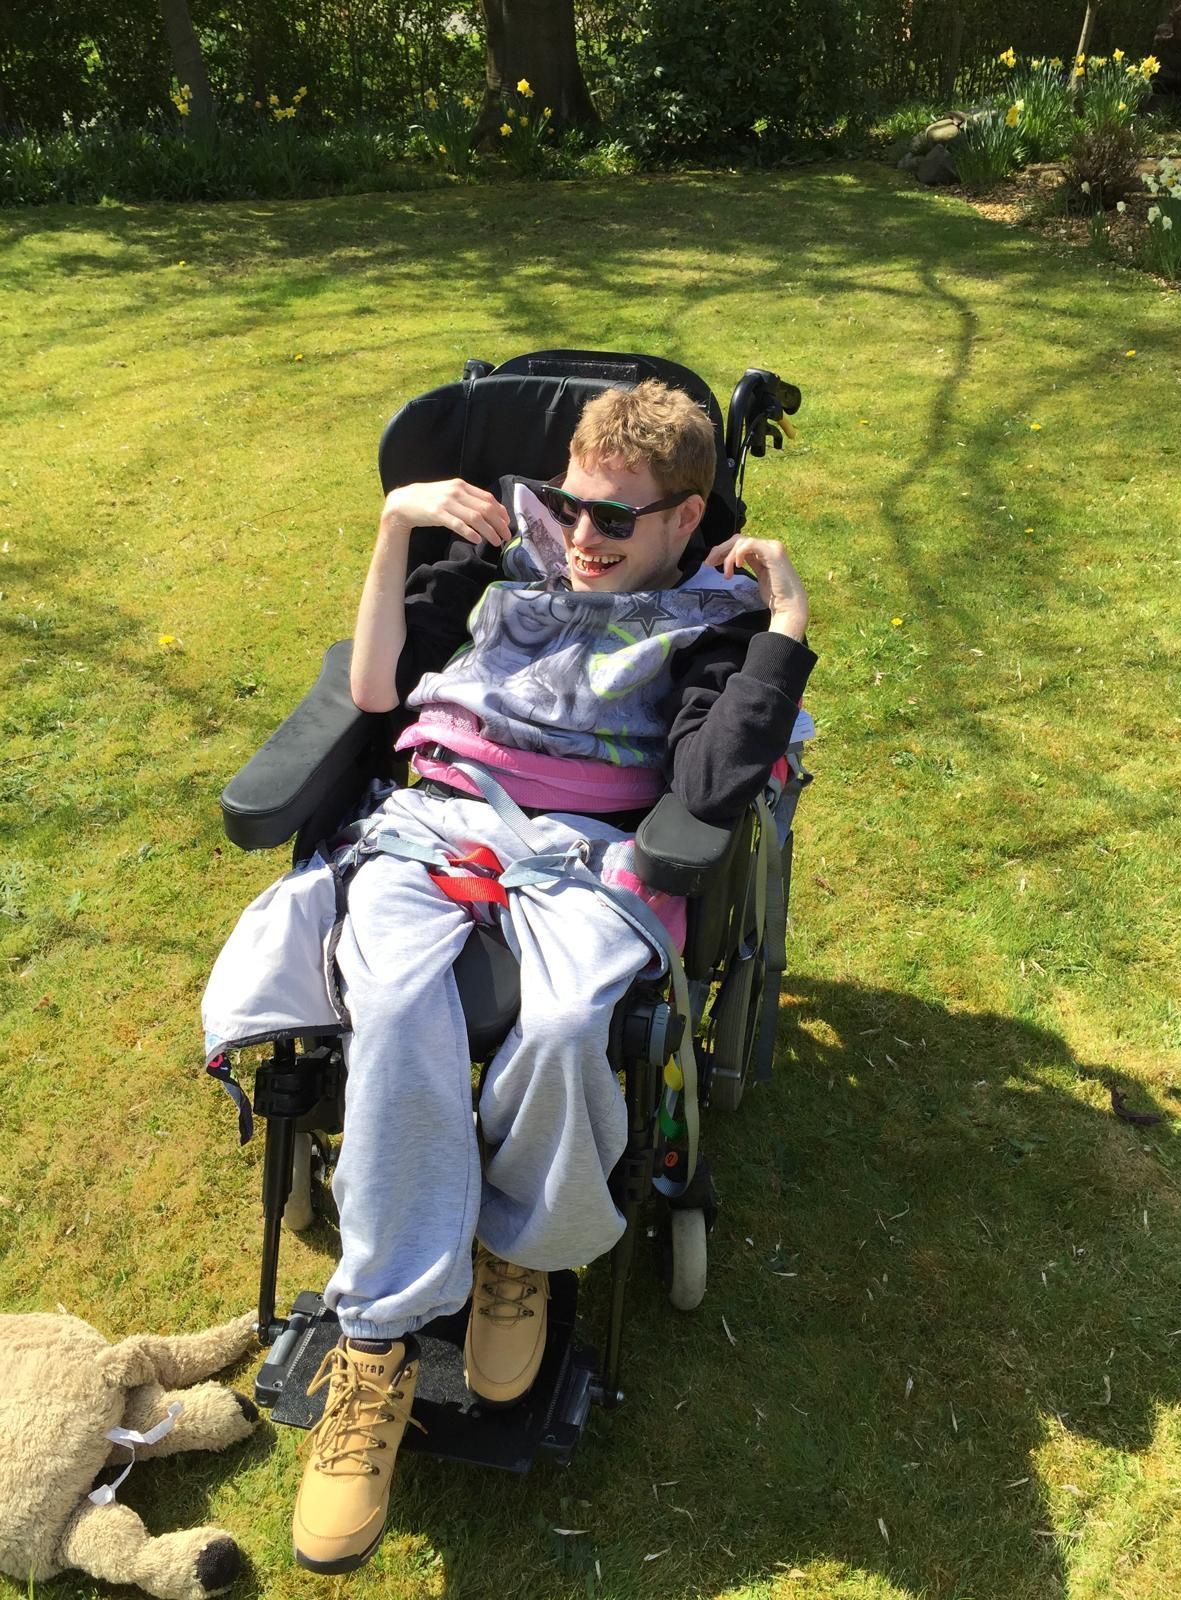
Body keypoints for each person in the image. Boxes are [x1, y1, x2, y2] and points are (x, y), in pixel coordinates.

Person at [205, 380, 815, 1573]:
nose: (582, 537)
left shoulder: (711, 619)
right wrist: (397, 525)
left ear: (687, 518)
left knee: (571, 1015)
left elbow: (709, 786)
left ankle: (518, 1254)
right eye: (570, 505)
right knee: (391, 999)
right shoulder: (497, 562)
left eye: (617, 519)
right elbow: (372, 691)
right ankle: (377, 1340)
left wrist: (783, 625)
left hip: (588, 850)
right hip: (438, 821)